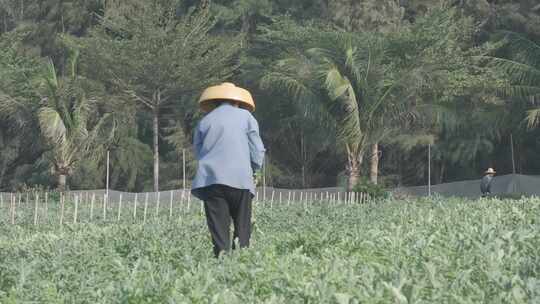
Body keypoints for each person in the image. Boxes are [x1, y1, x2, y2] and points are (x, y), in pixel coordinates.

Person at [191, 82, 266, 257]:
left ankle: (222, 261)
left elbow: (199, 152)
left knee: (219, 227)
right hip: (240, 180)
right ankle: (241, 261)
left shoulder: (204, 121)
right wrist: (256, 170)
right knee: (242, 226)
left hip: (211, 180)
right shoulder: (246, 117)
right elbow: (257, 149)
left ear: (215, 102)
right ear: (238, 102)